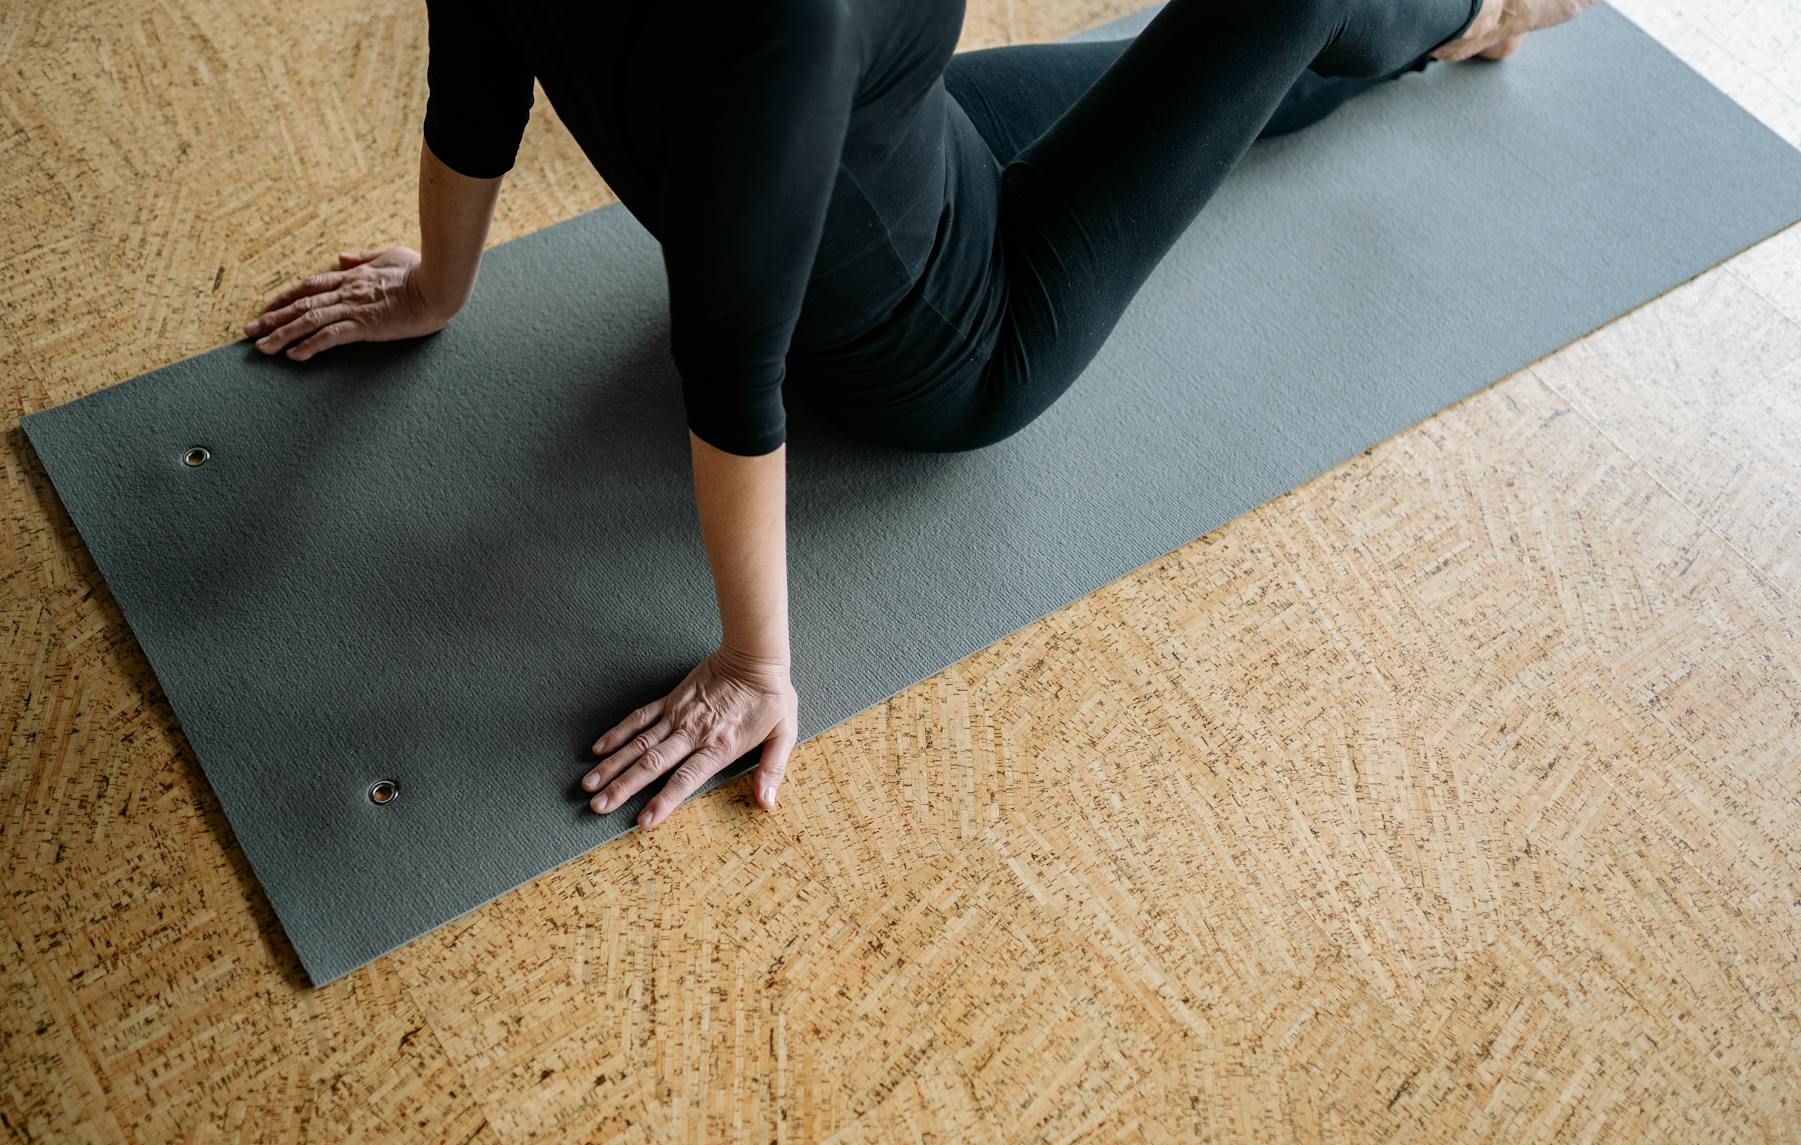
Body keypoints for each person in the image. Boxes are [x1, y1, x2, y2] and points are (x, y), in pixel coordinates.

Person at [244, 0, 1593, 829]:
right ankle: (1484, 4)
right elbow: (730, 364)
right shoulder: (788, 19)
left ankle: (1450, 24)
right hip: (961, 343)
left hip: (915, 153)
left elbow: (483, 74)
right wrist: (754, 660)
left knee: (1203, 76)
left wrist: (442, 282)